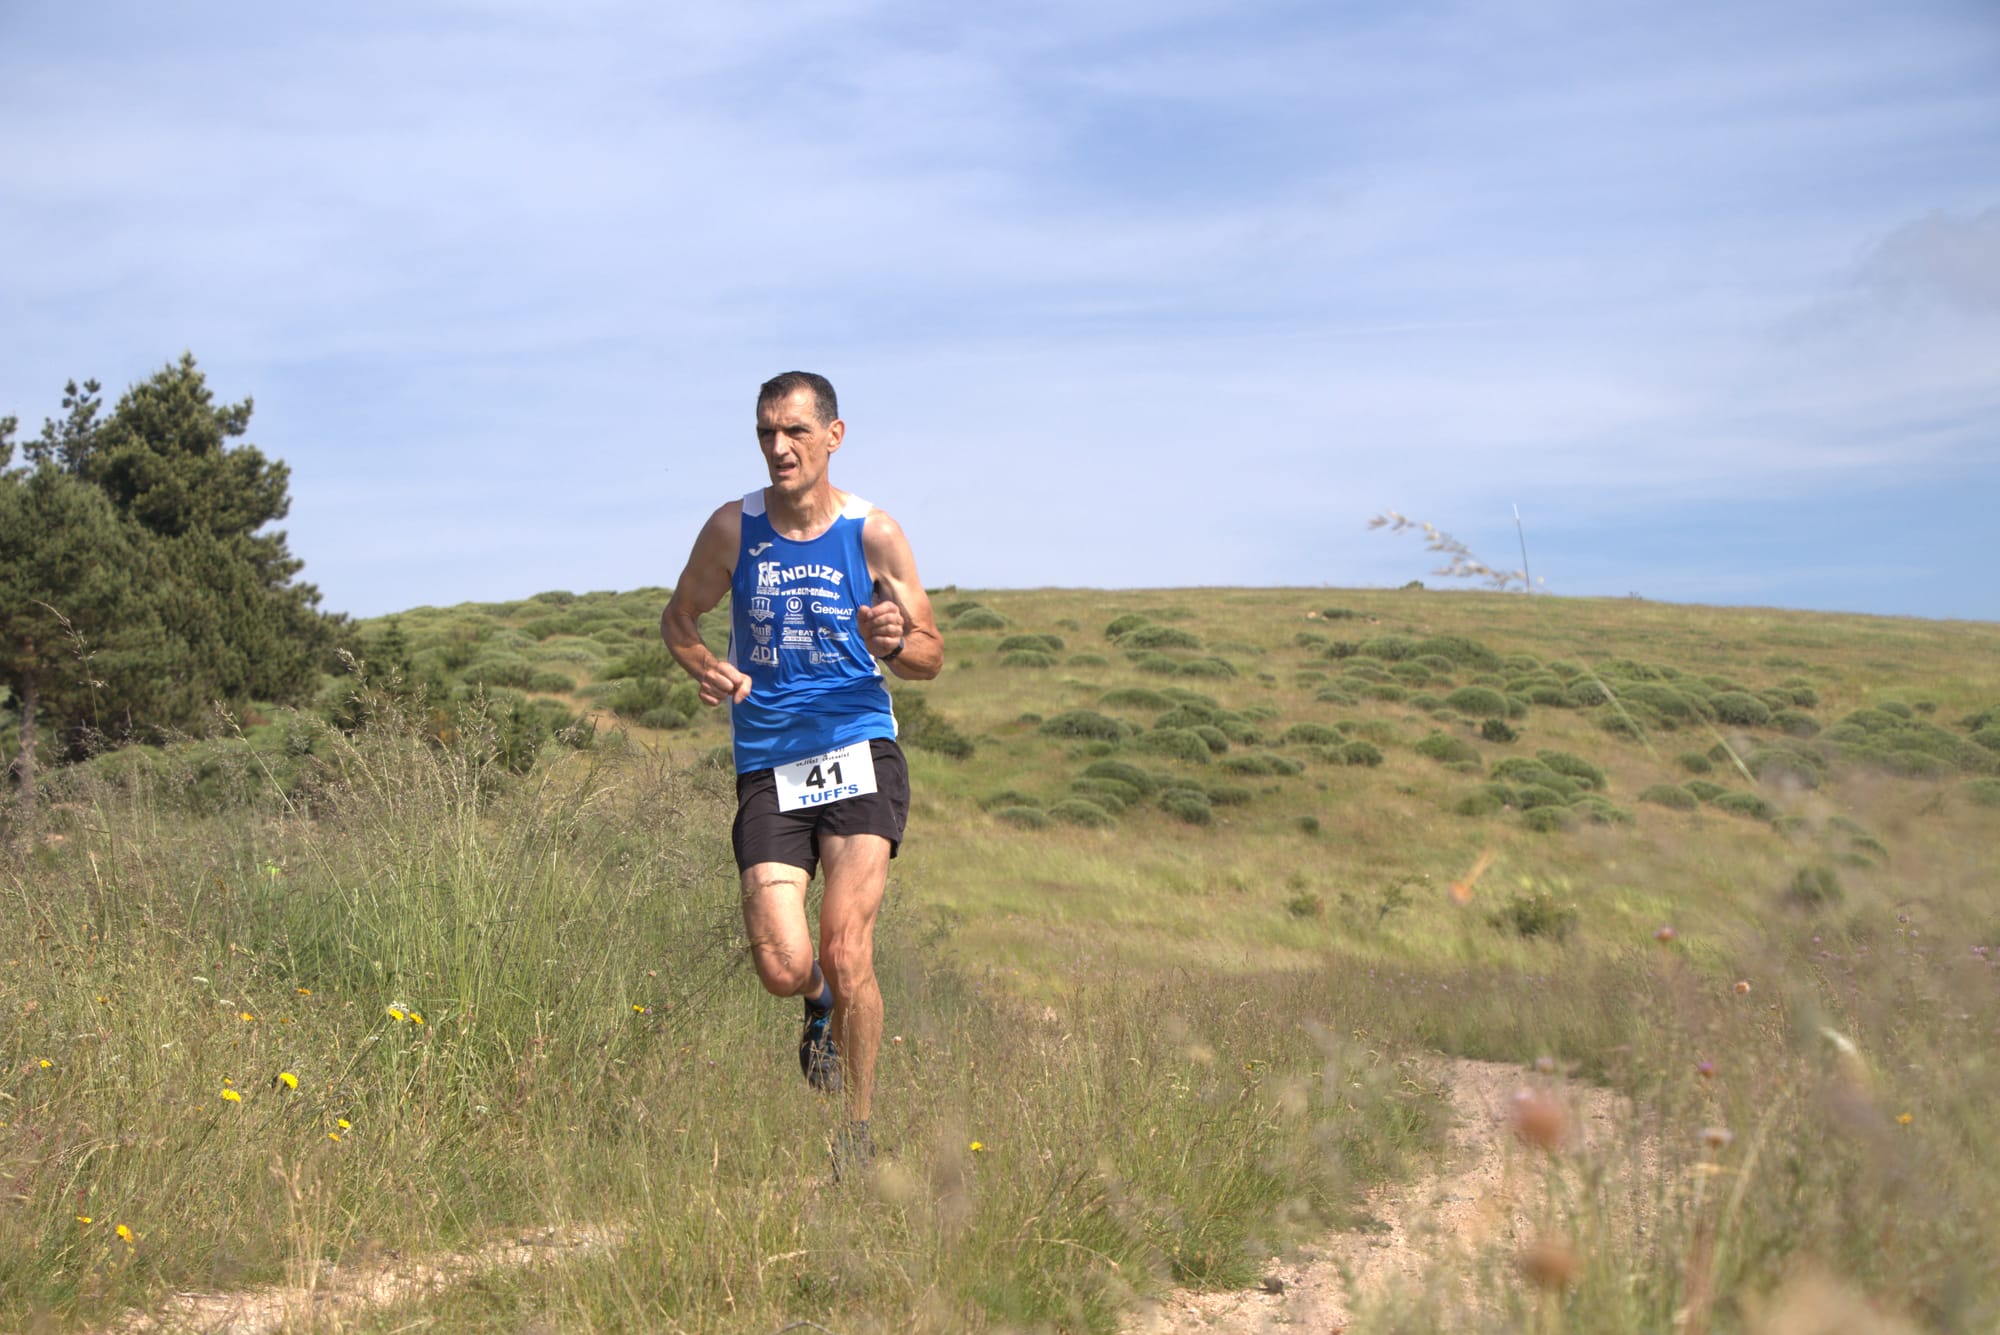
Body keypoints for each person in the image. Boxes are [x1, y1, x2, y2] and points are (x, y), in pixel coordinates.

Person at [661, 371, 942, 1180]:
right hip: (769, 762)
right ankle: (816, 1002)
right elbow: (679, 618)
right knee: (785, 964)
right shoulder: (732, 530)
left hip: (858, 748)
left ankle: (856, 1130)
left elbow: (930, 654)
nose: (778, 448)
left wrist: (892, 641)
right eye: (764, 434)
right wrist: (704, 665)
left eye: (793, 431)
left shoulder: (872, 534)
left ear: (834, 435)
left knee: (848, 946)